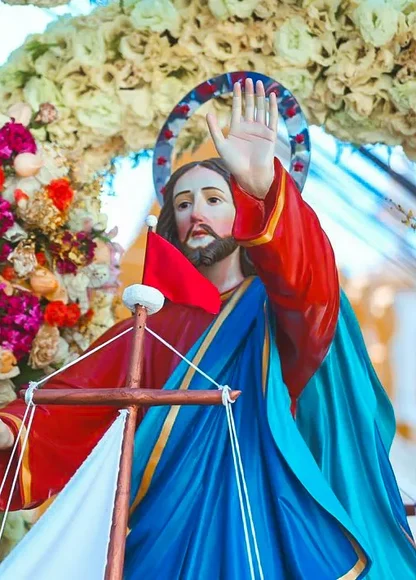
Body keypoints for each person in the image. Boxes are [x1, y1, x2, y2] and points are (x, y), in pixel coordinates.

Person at [0, 79, 415, 579]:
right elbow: (71, 400)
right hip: (161, 542)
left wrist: (261, 183)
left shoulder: (275, 309)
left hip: (260, 529)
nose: (196, 212)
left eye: (214, 198)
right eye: (182, 204)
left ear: (245, 215)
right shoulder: (150, 325)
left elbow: (310, 288)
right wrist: (9, 428)